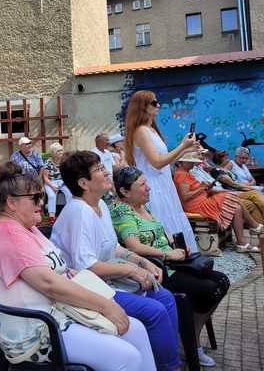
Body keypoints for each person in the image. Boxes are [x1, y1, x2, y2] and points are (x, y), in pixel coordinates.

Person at [0, 161, 156, 370]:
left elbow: (59, 271)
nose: (41, 202)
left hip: (58, 314)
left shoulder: (23, 226)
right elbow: (49, 283)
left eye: (41, 196)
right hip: (37, 332)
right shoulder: (8, 235)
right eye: (35, 198)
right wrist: (106, 305)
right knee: (127, 357)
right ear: (11, 203)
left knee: (136, 329)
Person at [53, 151, 183, 371]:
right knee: (154, 311)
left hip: (107, 282)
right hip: (87, 291)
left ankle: (166, 361)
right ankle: (167, 366)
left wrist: (142, 262)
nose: (106, 171)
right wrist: (130, 272)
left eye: (103, 166)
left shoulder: (100, 205)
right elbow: (87, 267)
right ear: (84, 183)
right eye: (98, 169)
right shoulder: (78, 212)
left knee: (165, 297)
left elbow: (114, 247)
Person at [111, 166, 231, 367]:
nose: (148, 188)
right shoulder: (123, 210)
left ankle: (191, 333)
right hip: (160, 269)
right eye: (142, 184)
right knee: (209, 289)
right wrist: (167, 253)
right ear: (124, 191)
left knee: (221, 281)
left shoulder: (143, 206)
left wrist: (178, 245)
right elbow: (133, 245)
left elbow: (159, 233)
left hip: (175, 262)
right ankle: (191, 342)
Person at [124, 90, 199, 252]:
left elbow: (165, 161)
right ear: (142, 106)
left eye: (157, 102)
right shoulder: (141, 130)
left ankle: (182, 258)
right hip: (154, 185)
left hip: (163, 184)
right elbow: (157, 163)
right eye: (153, 103)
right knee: (164, 223)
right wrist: (182, 146)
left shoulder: (150, 130)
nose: (158, 105)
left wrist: (187, 151)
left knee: (171, 222)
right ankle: (173, 261)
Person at [174, 152, 262, 253]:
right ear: (181, 162)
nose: (192, 164)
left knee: (237, 208)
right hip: (198, 205)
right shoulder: (181, 174)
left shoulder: (186, 172)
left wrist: (206, 187)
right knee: (234, 196)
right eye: (189, 162)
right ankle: (255, 226)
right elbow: (185, 197)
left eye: (193, 162)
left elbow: (195, 191)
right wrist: (202, 187)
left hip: (203, 200)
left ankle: (241, 244)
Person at [41, 142, 72, 216]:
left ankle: (69, 213)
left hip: (62, 182)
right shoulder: (48, 163)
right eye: (58, 151)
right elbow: (45, 177)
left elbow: (67, 174)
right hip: (50, 182)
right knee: (52, 196)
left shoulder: (64, 161)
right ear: (53, 153)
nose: (61, 152)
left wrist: (65, 182)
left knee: (70, 194)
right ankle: (52, 216)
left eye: (61, 150)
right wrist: (52, 186)